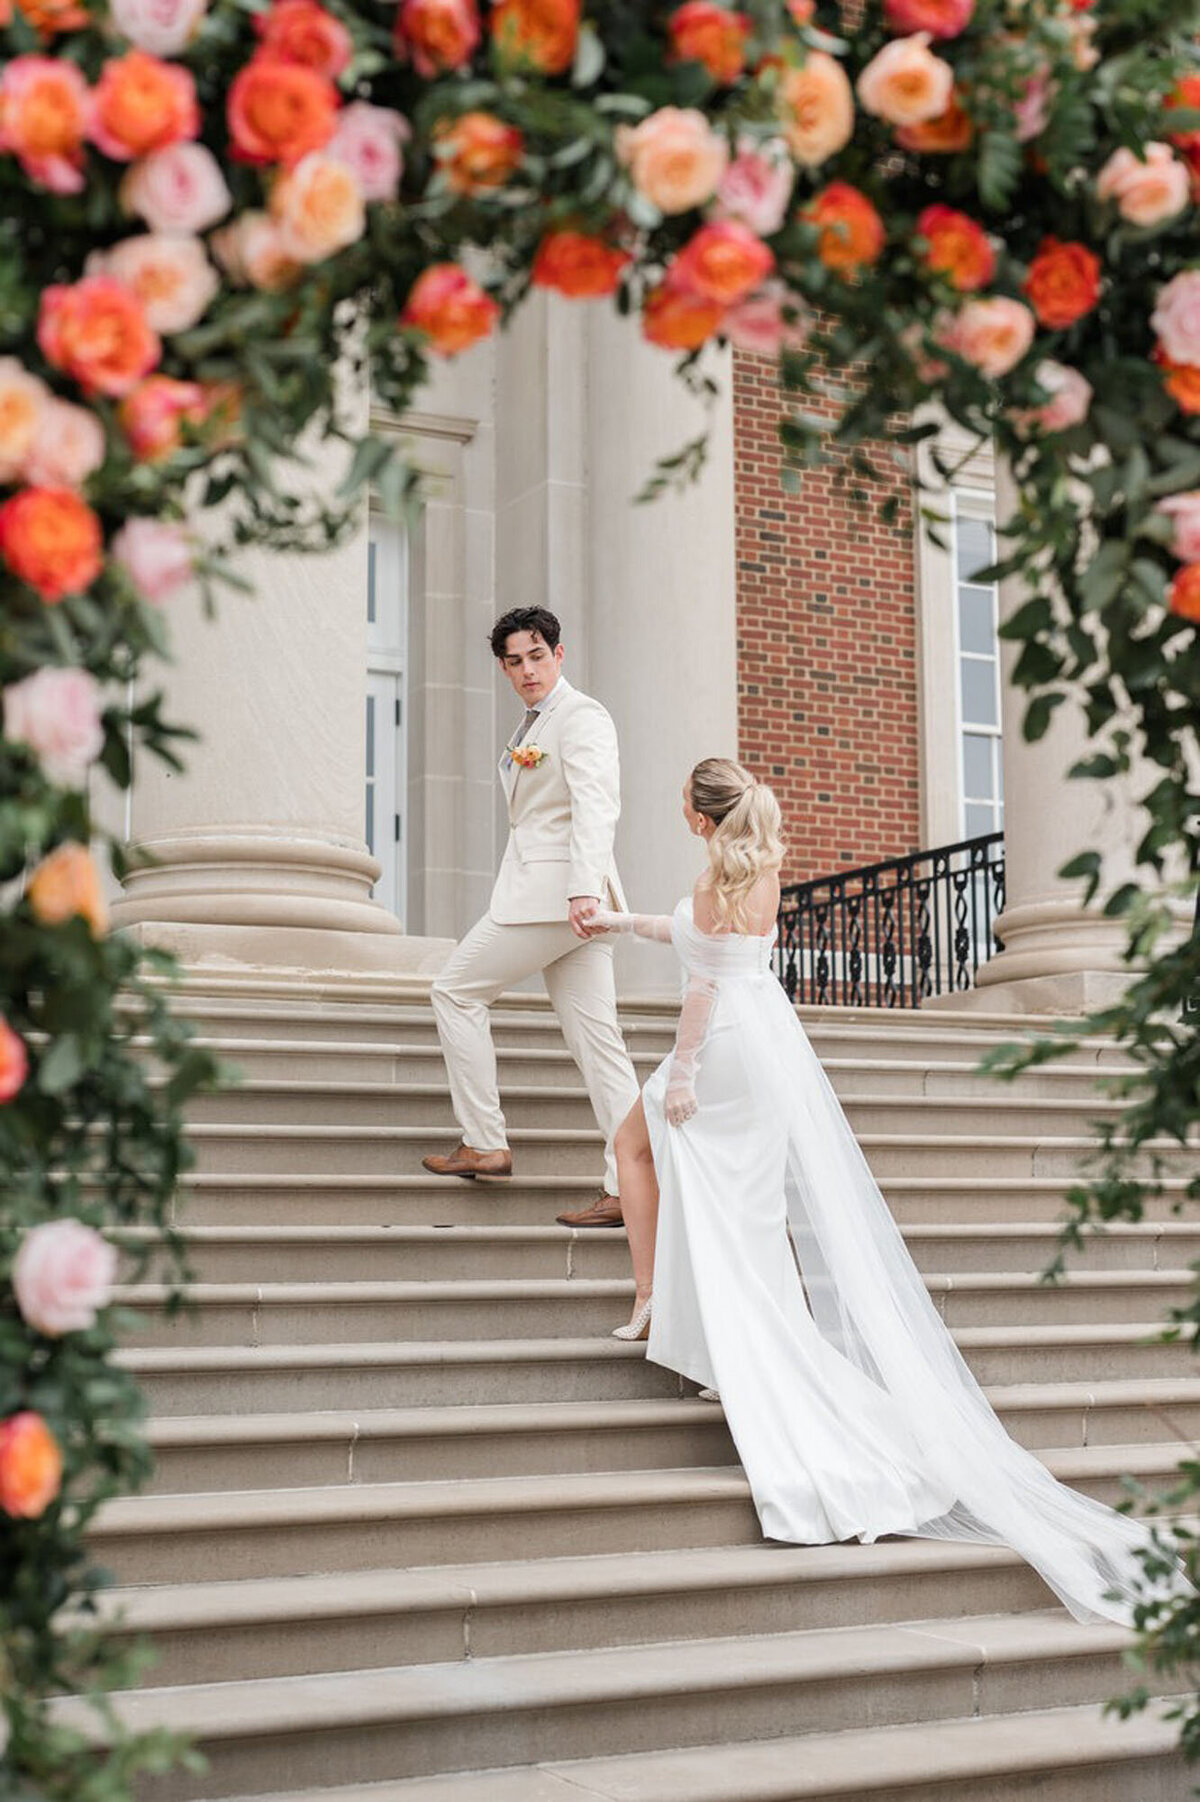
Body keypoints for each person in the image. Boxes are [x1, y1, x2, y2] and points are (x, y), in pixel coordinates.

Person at [585, 757, 1174, 1626]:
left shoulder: (716, 878)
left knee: (686, 1176)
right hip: (768, 1045)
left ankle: (715, 1333)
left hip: (720, 1046)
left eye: (682, 801)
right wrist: (620, 922)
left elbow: (704, 982)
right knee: (730, 1204)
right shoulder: (759, 868)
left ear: (700, 818)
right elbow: (703, 946)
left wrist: (683, 1074)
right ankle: (669, 1308)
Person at [422, 607, 639, 1229]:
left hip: (559, 897)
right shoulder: (532, 725)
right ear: (502, 667)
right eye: (514, 661)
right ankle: (628, 1185)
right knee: (600, 1045)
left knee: (455, 990)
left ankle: (485, 1140)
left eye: (537, 656)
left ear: (559, 654)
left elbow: (598, 807)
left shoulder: (583, 717)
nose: (527, 670)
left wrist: (580, 891)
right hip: (565, 896)